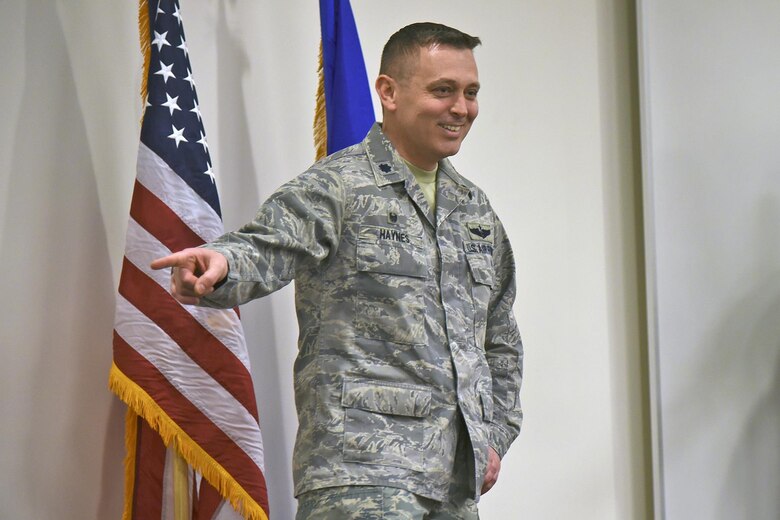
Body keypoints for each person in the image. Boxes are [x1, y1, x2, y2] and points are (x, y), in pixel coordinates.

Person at [152, 22, 523, 519]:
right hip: (360, 475)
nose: (461, 108)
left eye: (470, 93)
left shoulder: (474, 210)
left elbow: (499, 337)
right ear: (388, 92)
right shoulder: (339, 186)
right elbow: (269, 245)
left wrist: (493, 435)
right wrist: (221, 265)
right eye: (443, 90)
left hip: (456, 485)